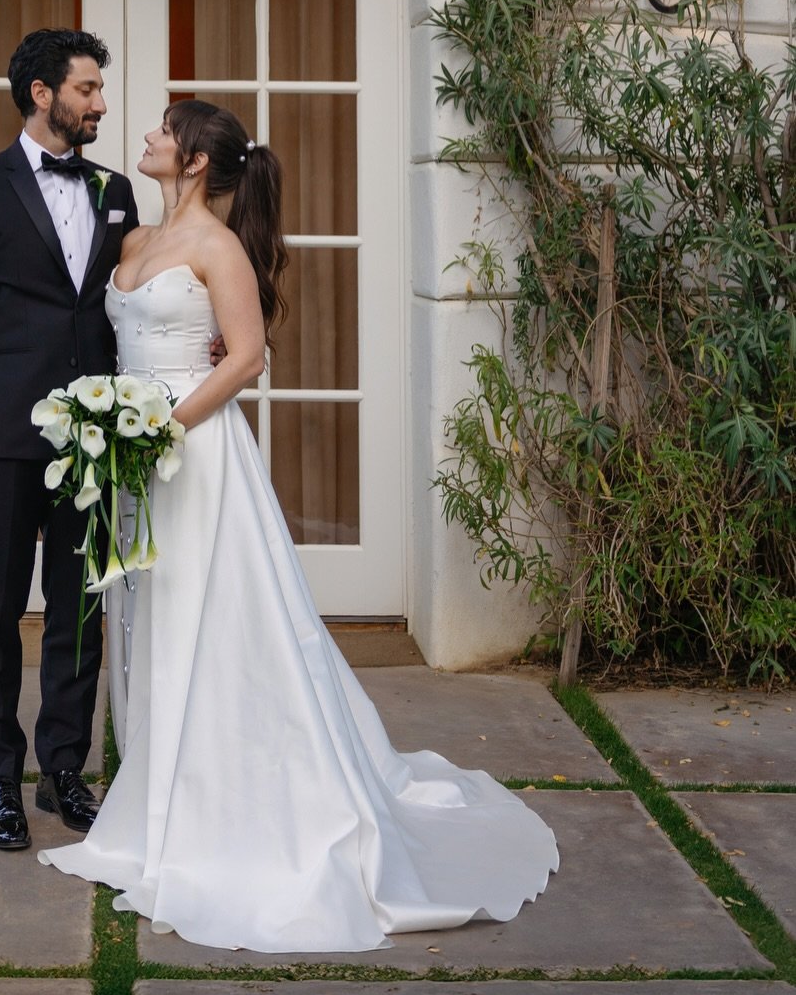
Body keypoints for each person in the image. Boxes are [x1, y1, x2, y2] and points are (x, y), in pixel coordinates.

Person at [40, 100, 559, 952]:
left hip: (194, 457)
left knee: (221, 622)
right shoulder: (133, 242)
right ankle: (158, 792)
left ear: (196, 159)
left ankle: (228, 804)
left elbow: (246, 356)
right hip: (133, 462)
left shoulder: (219, 248)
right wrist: (110, 424)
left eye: (164, 130)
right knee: (150, 620)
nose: (147, 138)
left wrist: (163, 427)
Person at [0, 29, 140, 851]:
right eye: (87, 89)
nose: (100, 104)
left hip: (90, 441)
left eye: (98, 89)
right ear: (43, 94)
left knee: (79, 614)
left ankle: (63, 769)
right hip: (2, 440)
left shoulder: (115, 189)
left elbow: (134, 293)